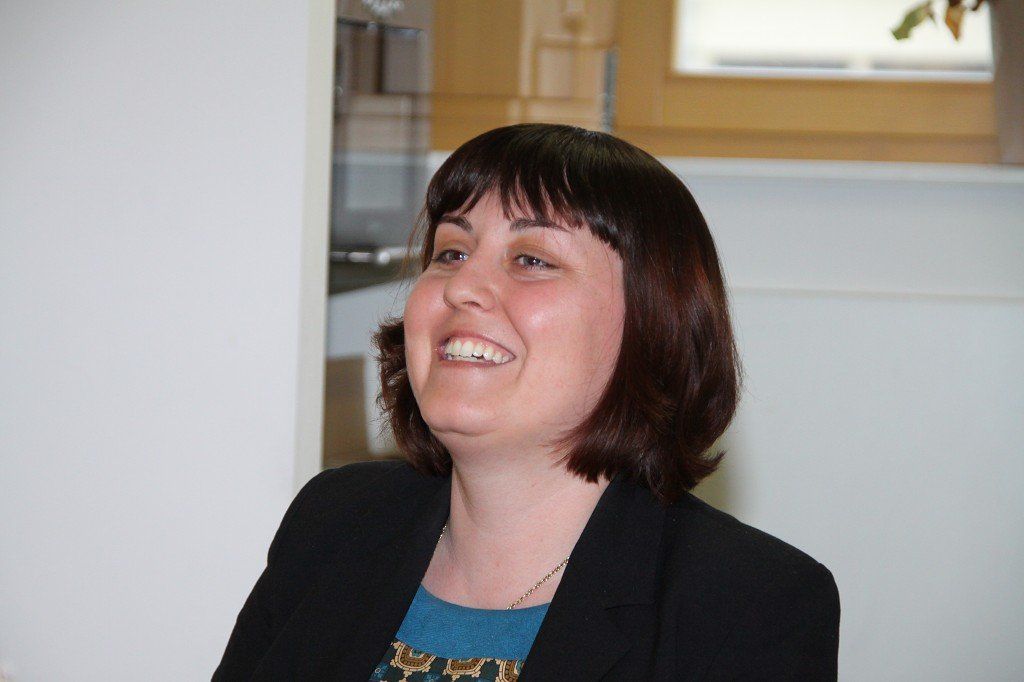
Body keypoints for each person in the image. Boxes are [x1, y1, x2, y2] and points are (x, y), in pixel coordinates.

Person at [213, 124, 840, 681]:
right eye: (451, 252)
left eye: (531, 259)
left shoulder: (752, 605)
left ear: (652, 326)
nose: (462, 286)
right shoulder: (333, 524)